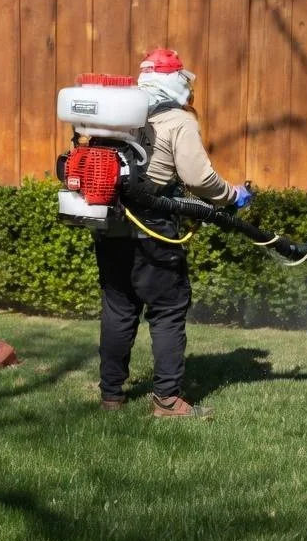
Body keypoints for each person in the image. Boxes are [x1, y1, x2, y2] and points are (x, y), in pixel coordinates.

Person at [94, 46, 252, 418]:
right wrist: (233, 196)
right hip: (156, 231)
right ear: (176, 81)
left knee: (118, 310)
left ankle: (111, 397)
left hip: (111, 226)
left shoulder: (119, 116)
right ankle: (167, 400)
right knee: (166, 310)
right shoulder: (178, 121)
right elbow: (199, 179)